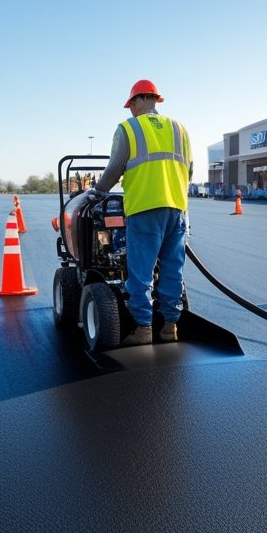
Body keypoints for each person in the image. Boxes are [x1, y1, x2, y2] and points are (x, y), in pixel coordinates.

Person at [91, 79, 192, 346]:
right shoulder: (180, 129)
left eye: (130, 105)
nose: (130, 110)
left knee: (140, 272)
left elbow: (114, 169)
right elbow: (188, 171)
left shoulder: (129, 128)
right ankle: (170, 326)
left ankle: (143, 328)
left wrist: (98, 192)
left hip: (145, 209)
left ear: (135, 102)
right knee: (172, 270)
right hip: (177, 209)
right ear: (156, 100)